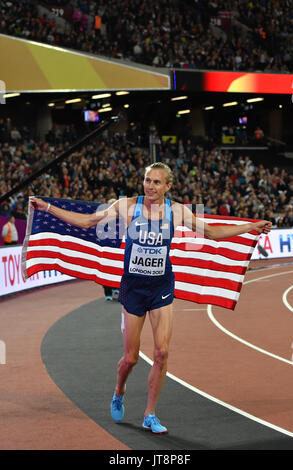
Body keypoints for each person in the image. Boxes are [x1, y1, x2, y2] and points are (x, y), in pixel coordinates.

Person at [29, 162, 272, 434]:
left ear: (168, 186)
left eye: (157, 182)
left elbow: (213, 233)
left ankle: (150, 414)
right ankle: (119, 390)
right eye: (147, 180)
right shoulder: (128, 206)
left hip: (161, 287)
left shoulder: (177, 211)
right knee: (131, 358)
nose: (150, 186)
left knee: (162, 352)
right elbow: (88, 221)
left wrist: (251, 227)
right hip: (133, 288)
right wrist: (47, 208)